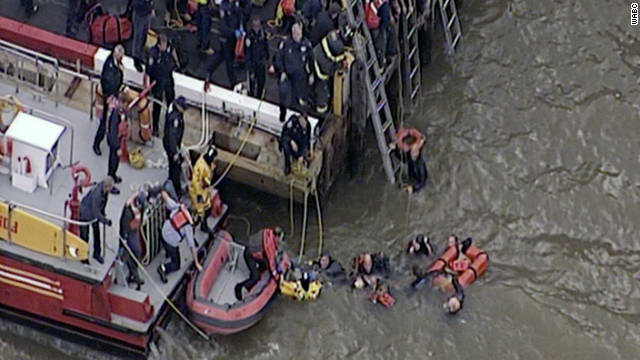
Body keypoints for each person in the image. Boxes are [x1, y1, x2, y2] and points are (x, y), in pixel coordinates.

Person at [157, 191, 203, 283]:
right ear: (193, 215)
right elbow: (191, 246)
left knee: (169, 243)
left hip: (162, 233)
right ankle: (163, 268)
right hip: (170, 242)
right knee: (176, 265)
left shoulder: (178, 207)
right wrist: (197, 263)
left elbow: (165, 196)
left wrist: (162, 193)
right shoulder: (188, 226)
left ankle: (167, 252)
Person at [274, 22, 314, 122]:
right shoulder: (286, 44)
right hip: (287, 75)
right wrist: (282, 72)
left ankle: (294, 114)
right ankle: (282, 112)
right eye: (294, 33)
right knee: (283, 93)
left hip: (299, 76)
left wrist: (311, 74)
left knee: (296, 97)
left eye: (298, 33)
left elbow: (311, 60)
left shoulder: (306, 44)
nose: (296, 35)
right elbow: (279, 58)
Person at [94, 45, 125, 157]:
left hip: (115, 96)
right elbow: (106, 81)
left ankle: (109, 139)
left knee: (114, 121)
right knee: (104, 123)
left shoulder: (117, 64)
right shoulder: (109, 65)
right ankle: (96, 144)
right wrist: (109, 96)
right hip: (109, 98)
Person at [204, 0, 243, 87]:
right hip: (225, 38)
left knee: (221, 55)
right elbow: (223, 27)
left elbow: (238, 14)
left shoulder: (234, 4)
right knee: (228, 60)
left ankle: (209, 69)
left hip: (232, 38)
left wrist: (240, 25)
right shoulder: (224, 7)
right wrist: (234, 32)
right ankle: (233, 82)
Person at [147, 33, 179, 136]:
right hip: (158, 82)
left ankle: (169, 122)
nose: (165, 47)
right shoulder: (153, 54)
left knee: (171, 103)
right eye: (163, 45)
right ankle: (155, 127)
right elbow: (149, 70)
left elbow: (172, 51)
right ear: (159, 45)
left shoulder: (168, 47)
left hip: (168, 80)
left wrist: (176, 63)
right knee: (157, 105)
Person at [79, 176, 115, 264]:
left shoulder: (104, 190)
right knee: (84, 236)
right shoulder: (97, 195)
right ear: (106, 186)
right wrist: (106, 221)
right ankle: (83, 257)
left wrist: (103, 212)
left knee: (97, 234)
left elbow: (103, 203)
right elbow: (96, 212)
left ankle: (97, 253)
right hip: (85, 214)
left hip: (94, 214)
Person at [118, 190, 148, 289]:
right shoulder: (128, 211)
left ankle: (133, 272)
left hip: (134, 229)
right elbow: (124, 226)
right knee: (133, 252)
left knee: (137, 252)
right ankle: (134, 275)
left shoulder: (140, 204)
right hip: (128, 231)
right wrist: (124, 239)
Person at [312, 29, 345, 114]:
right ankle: (321, 109)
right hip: (320, 71)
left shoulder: (332, 35)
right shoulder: (337, 48)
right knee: (322, 91)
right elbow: (329, 70)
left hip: (314, 58)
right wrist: (340, 65)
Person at [189, 145, 218, 231]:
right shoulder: (200, 165)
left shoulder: (208, 162)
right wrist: (200, 193)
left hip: (205, 191)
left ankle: (203, 225)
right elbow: (195, 182)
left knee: (207, 208)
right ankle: (195, 226)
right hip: (198, 192)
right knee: (200, 212)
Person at [163, 96, 186, 198]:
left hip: (172, 144)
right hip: (171, 146)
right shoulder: (175, 119)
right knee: (175, 167)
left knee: (173, 166)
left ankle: (171, 183)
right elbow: (171, 136)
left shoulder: (172, 109)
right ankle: (176, 191)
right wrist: (175, 152)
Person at [245, 17, 269, 98]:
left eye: (258, 26)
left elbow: (266, 46)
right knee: (251, 83)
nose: (257, 28)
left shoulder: (262, 34)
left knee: (261, 82)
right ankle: (251, 97)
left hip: (261, 63)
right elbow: (247, 54)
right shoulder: (249, 36)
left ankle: (259, 96)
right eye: (255, 26)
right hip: (253, 63)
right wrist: (250, 69)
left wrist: (267, 58)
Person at [106, 93, 126, 190]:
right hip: (114, 141)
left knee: (116, 161)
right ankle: (110, 180)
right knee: (113, 161)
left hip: (119, 139)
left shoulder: (121, 112)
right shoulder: (115, 114)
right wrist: (117, 147)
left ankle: (113, 175)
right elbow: (112, 131)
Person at [131, 0, 154, 72]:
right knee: (138, 37)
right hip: (139, 14)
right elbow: (135, 4)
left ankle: (141, 54)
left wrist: (151, 8)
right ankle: (136, 58)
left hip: (146, 13)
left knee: (144, 36)